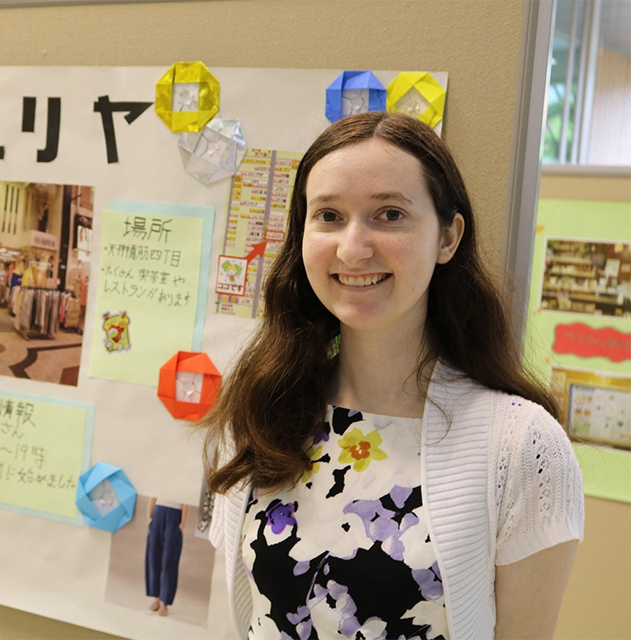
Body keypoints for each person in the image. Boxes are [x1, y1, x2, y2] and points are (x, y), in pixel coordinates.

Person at [201, 112, 584, 640]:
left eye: (390, 214)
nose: (353, 248)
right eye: (329, 216)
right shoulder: (260, 411)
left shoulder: (523, 446)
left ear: (448, 238)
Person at [145, 497, 188, 618]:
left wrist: (182, 524)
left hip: (175, 514)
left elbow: (186, 502)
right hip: (158, 512)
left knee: (169, 560)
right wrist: (149, 518)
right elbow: (153, 496)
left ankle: (165, 603)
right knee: (154, 558)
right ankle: (156, 598)